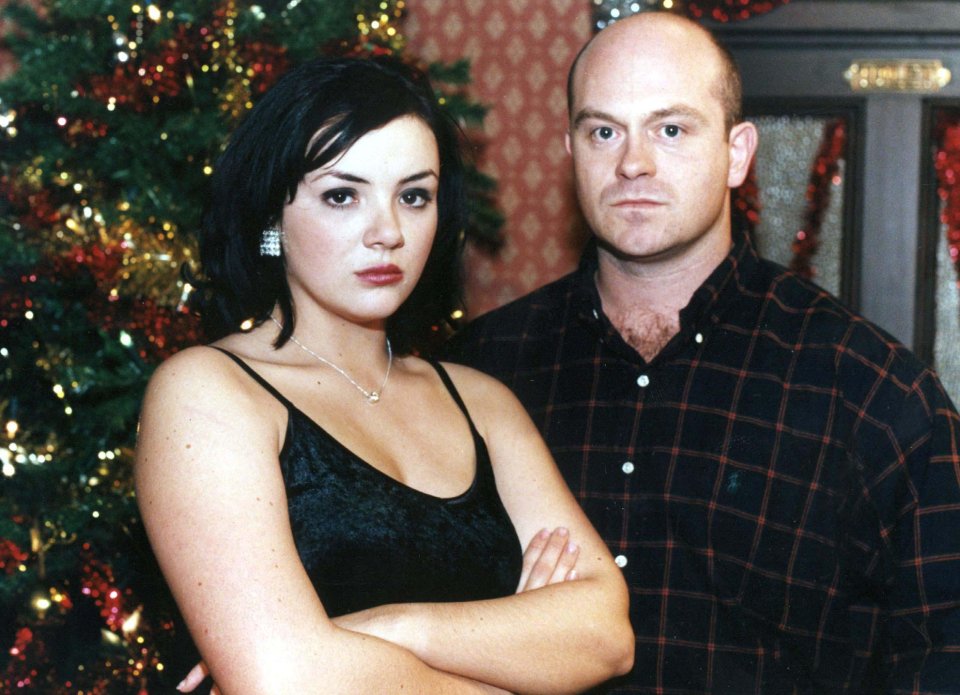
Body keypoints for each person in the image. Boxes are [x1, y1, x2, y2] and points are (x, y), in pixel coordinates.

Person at [448, 11, 960, 694]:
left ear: (738, 152)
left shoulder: (872, 392)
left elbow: (941, 658)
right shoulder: (482, 371)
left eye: (671, 129)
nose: (633, 162)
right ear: (571, 152)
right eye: (604, 130)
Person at [134, 55, 633, 694]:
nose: (388, 232)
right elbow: (287, 681)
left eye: (413, 196)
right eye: (342, 195)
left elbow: (606, 635)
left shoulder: (482, 401)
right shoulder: (208, 391)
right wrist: (515, 653)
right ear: (271, 219)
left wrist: (386, 630)